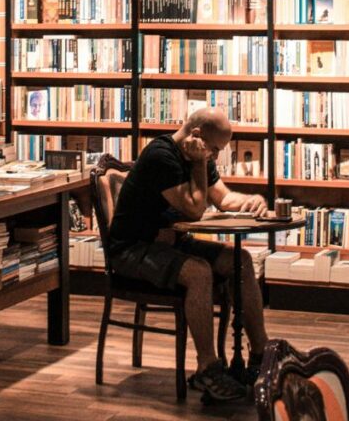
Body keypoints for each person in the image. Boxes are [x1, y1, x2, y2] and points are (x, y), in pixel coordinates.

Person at [109, 107, 270, 402]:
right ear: (196, 136)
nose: (216, 156)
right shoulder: (162, 156)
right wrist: (199, 162)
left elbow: (222, 198)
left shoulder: (200, 156)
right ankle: (208, 367)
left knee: (241, 261)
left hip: (168, 242)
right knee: (199, 271)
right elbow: (195, 209)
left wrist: (252, 201)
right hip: (132, 248)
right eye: (215, 149)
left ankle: (261, 355)